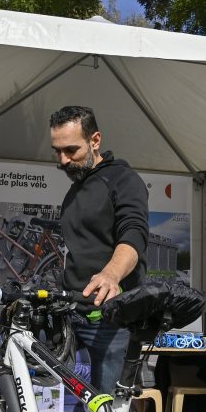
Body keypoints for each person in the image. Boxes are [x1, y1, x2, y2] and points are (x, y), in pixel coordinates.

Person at [50, 106, 149, 394]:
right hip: (72, 311)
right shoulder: (76, 188)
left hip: (113, 318)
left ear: (95, 140)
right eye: (57, 151)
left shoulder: (122, 179)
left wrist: (111, 274)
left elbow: (134, 234)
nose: (63, 160)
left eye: (71, 150)